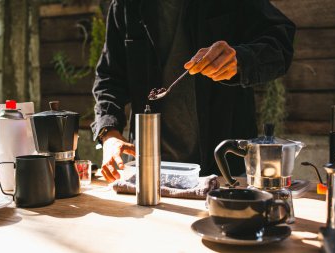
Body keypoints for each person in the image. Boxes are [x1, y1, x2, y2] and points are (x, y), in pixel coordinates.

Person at [91, 0, 296, 182]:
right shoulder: (127, 5)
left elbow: (281, 39)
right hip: (147, 172)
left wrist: (240, 60)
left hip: (224, 168)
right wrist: (110, 135)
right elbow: (109, 77)